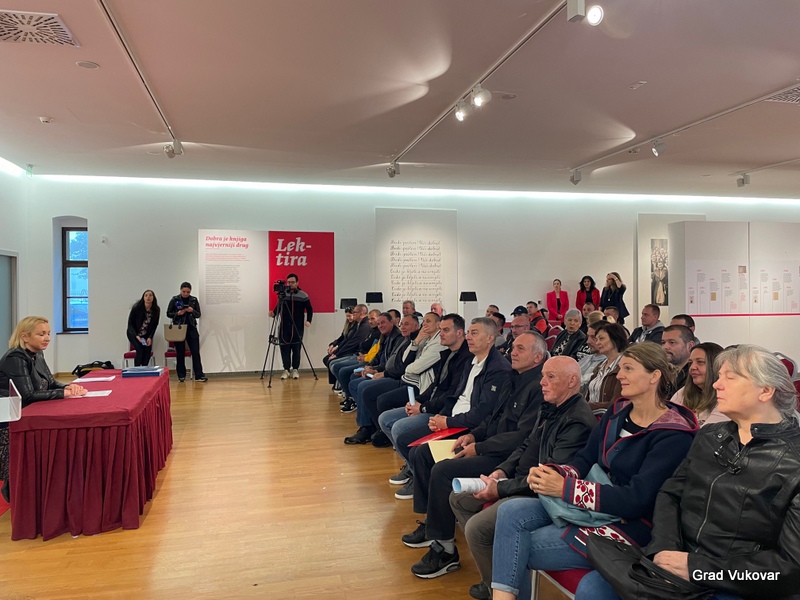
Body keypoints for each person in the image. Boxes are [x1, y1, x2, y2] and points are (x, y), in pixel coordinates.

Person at [576, 345, 800, 600]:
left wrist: (698, 569)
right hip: (679, 558)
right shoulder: (710, 436)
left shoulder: (793, 462)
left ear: (766, 391)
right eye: (719, 376)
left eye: (730, 377)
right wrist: (664, 550)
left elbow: (789, 569)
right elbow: (670, 493)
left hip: (738, 582)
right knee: (593, 587)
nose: (716, 385)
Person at [490, 343, 698, 600]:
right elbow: (585, 458)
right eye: (621, 368)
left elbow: (637, 500)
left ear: (654, 376)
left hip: (632, 526)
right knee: (511, 511)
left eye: (629, 369)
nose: (620, 375)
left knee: (515, 549)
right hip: (595, 506)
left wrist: (566, 489)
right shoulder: (618, 411)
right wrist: (557, 474)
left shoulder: (673, 435)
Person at [450, 357, 597, 599]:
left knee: (477, 529)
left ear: (572, 381)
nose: (542, 382)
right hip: (520, 481)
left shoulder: (577, 422)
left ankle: (503, 588)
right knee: (459, 499)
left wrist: (500, 488)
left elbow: (549, 479)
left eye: (550, 377)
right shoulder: (551, 407)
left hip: (543, 495)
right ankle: (494, 577)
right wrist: (502, 471)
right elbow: (526, 445)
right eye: (543, 375)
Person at [403, 331, 546, 579]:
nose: (512, 352)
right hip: (487, 444)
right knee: (425, 453)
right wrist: (473, 436)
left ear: (537, 357)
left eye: (520, 349)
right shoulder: (513, 378)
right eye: (513, 347)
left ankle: (445, 550)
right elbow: (492, 417)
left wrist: (480, 447)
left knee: (443, 471)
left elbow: (522, 437)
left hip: (506, 457)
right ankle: (432, 524)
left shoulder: (538, 388)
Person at [0, 316, 88, 502]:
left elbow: (50, 382)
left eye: (48, 333)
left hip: (27, 411)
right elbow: (27, 396)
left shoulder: (37, 353)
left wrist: (69, 387)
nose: (47, 338)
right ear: (24, 336)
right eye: (41, 334)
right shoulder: (15, 358)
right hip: (9, 416)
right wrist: (63, 394)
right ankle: (14, 490)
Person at [669, 342, 727, 426]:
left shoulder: (726, 397)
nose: (692, 367)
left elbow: (708, 432)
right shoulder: (683, 393)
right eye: (690, 363)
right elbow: (668, 423)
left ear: (716, 366)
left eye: (700, 362)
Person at [269, 273, 313, 380]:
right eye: (289, 282)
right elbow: (278, 307)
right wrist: (273, 313)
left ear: (297, 283)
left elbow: (309, 309)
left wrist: (309, 320)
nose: (290, 284)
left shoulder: (303, 295)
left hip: (297, 326)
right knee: (284, 348)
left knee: (296, 348)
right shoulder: (283, 295)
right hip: (284, 326)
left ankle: (295, 369)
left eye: (292, 282)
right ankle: (286, 369)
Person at [166, 282, 207, 382]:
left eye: (188, 292)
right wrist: (178, 313)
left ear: (190, 291)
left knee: (195, 352)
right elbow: (168, 313)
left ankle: (198, 375)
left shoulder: (194, 300)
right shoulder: (175, 299)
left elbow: (198, 314)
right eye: (184, 291)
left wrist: (192, 310)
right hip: (179, 328)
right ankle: (181, 375)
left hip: (191, 327)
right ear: (180, 290)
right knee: (180, 353)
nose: (186, 294)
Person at [586, 321, 628, 412]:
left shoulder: (624, 367)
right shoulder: (600, 366)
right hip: (591, 414)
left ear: (615, 339)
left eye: (601, 339)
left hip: (606, 416)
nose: (597, 343)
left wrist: (585, 406)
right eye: (596, 339)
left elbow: (617, 403)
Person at [126, 289, 160, 366]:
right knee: (140, 350)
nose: (148, 297)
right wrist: (136, 335)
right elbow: (130, 324)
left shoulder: (156, 310)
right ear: (143, 298)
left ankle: (144, 368)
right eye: (146, 295)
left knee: (147, 351)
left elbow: (155, 325)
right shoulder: (137, 307)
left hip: (145, 334)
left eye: (150, 295)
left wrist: (150, 337)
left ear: (153, 298)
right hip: (133, 333)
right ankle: (137, 369)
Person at [661, 324, 695, 391]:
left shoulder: (694, 375)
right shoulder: (663, 372)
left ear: (690, 346)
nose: (665, 347)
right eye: (663, 342)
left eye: (672, 342)